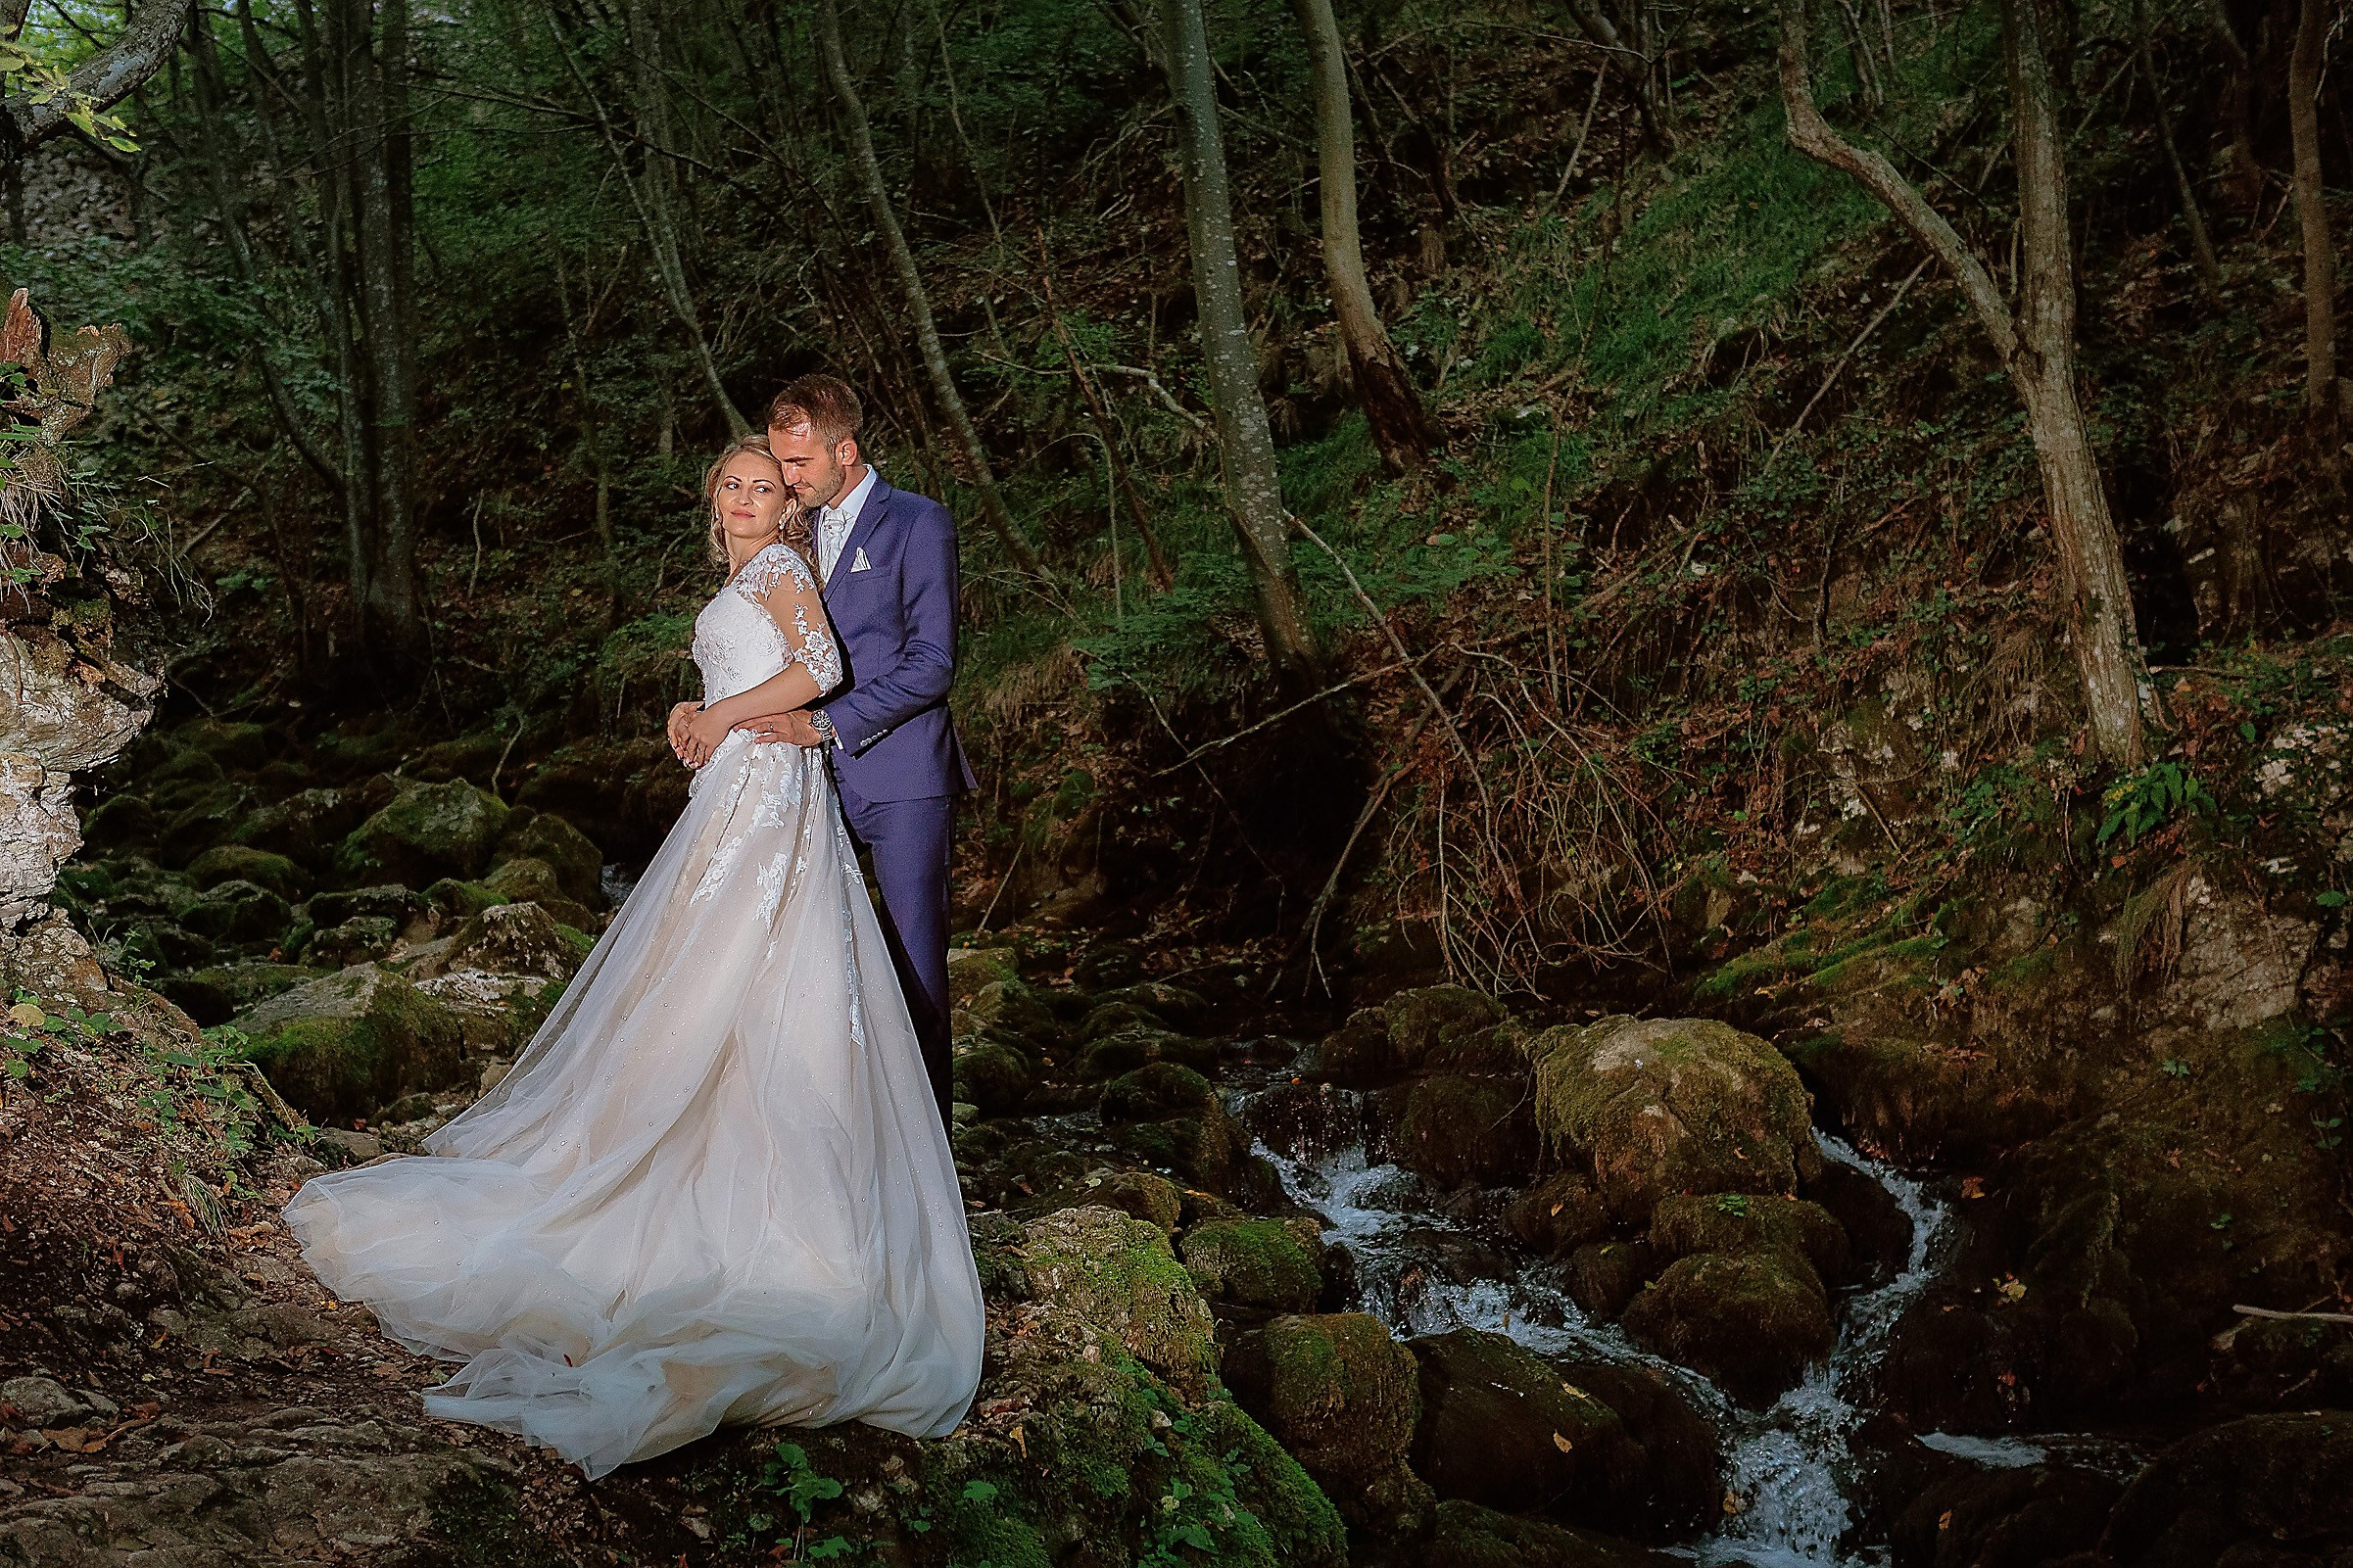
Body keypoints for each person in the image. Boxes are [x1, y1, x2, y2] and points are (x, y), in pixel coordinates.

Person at [280, 434, 984, 1480]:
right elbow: (747, 666)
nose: (746, 498)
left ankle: (775, 1190)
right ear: (714, 504)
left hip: (769, 786)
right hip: (736, 778)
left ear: (779, 504)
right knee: (695, 976)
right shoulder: (745, 573)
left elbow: (820, 669)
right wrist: (689, 712)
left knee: (748, 967)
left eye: (760, 486)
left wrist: (724, 714)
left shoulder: (786, 567)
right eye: (732, 487)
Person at [734, 375, 975, 1137]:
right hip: (806, 785)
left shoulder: (919, 523)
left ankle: (931, 1171)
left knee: (914, 977)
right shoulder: (791, 533)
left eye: (799, 463)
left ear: (846, 448)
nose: (787, 478)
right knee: (822, 973)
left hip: (902, 778)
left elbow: (933, 661)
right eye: (780, 461)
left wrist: (827, 724)